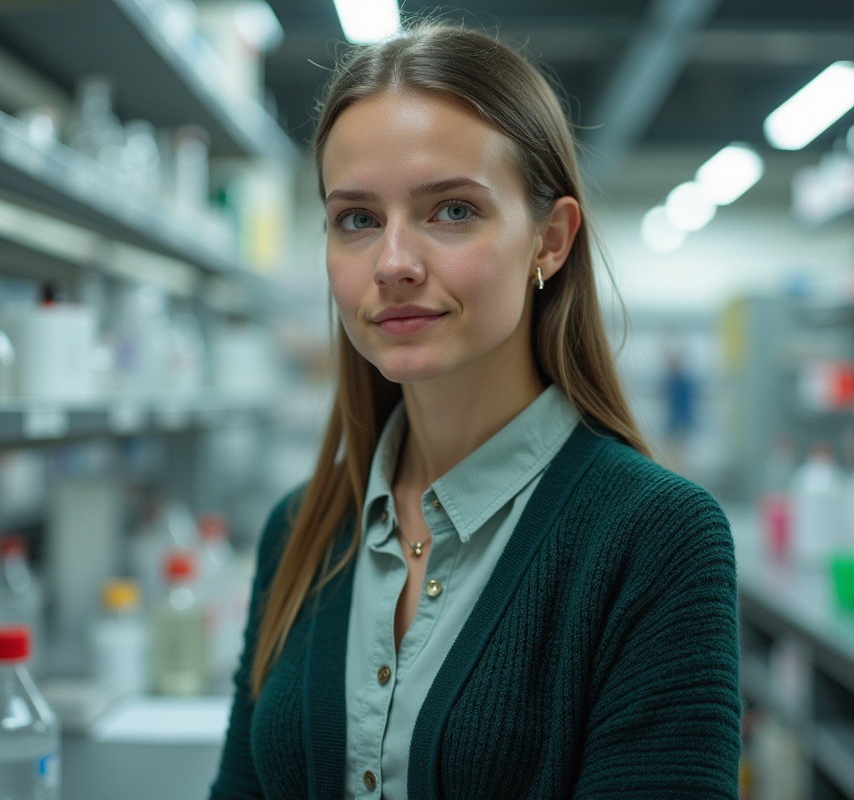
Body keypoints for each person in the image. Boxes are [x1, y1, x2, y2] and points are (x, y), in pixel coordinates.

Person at [209, 23, 739, 800]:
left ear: (549, 242)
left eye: (451, 211)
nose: (393, 263)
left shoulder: (655, 539)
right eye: (357, 219)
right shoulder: (303, 531)